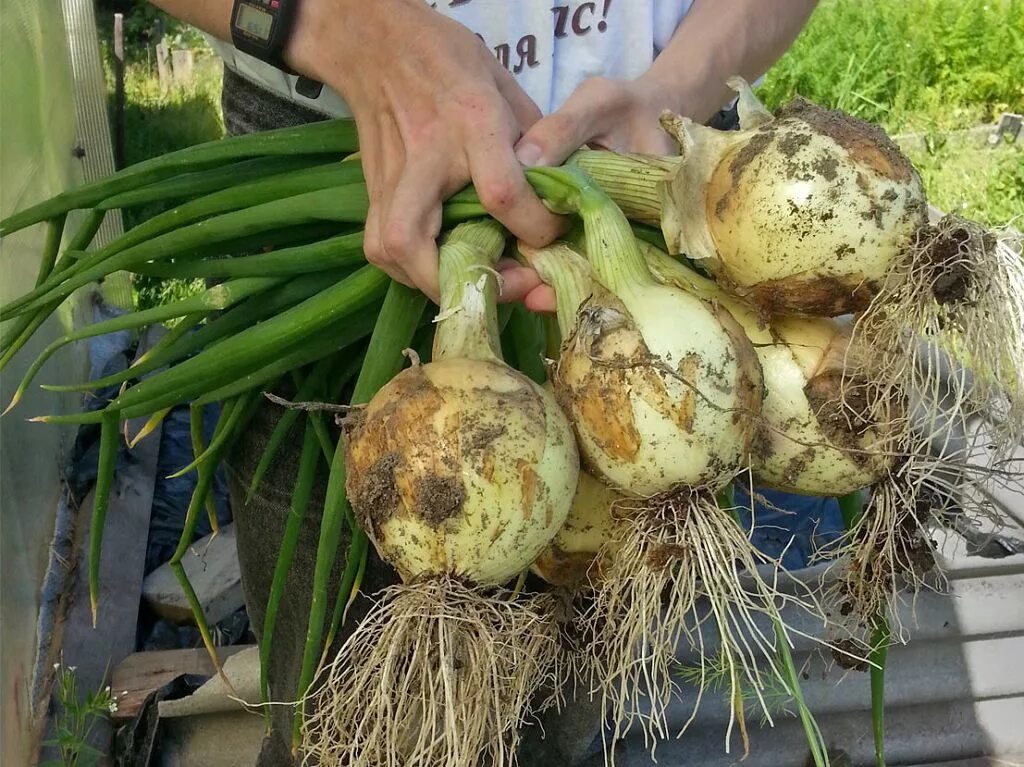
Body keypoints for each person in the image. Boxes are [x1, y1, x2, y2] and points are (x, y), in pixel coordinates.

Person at [146, 2, 821, 764]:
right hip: (336, 134)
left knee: (557, 716)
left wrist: (684, 81)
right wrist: (338, 27)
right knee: (329, 718)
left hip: (653, 131)